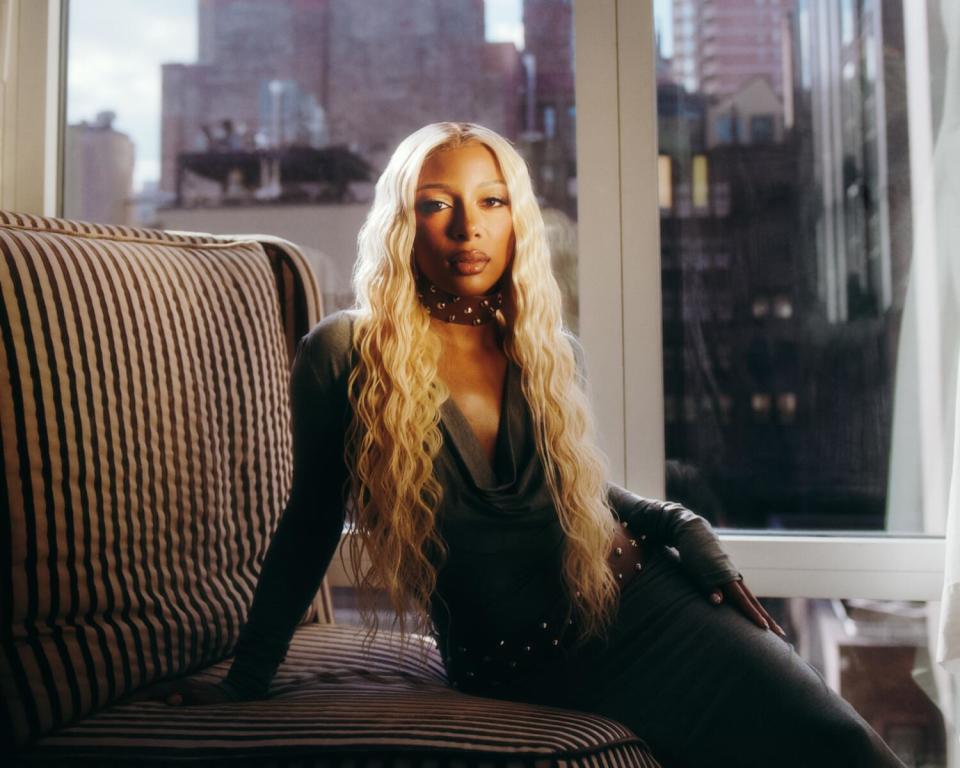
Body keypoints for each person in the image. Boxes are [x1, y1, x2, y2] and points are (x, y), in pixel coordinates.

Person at [164, 122, 905, 768]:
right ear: (402, 221)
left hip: (650, 608)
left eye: (492, 202)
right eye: (438, 204)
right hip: (513, 666)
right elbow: (310, 523)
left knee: (842, 748)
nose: (468, 228)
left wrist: (677, 523)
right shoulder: (345, 353)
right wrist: (247, 677)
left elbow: (571, 498)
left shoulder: (549, 353)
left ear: (517, 219)